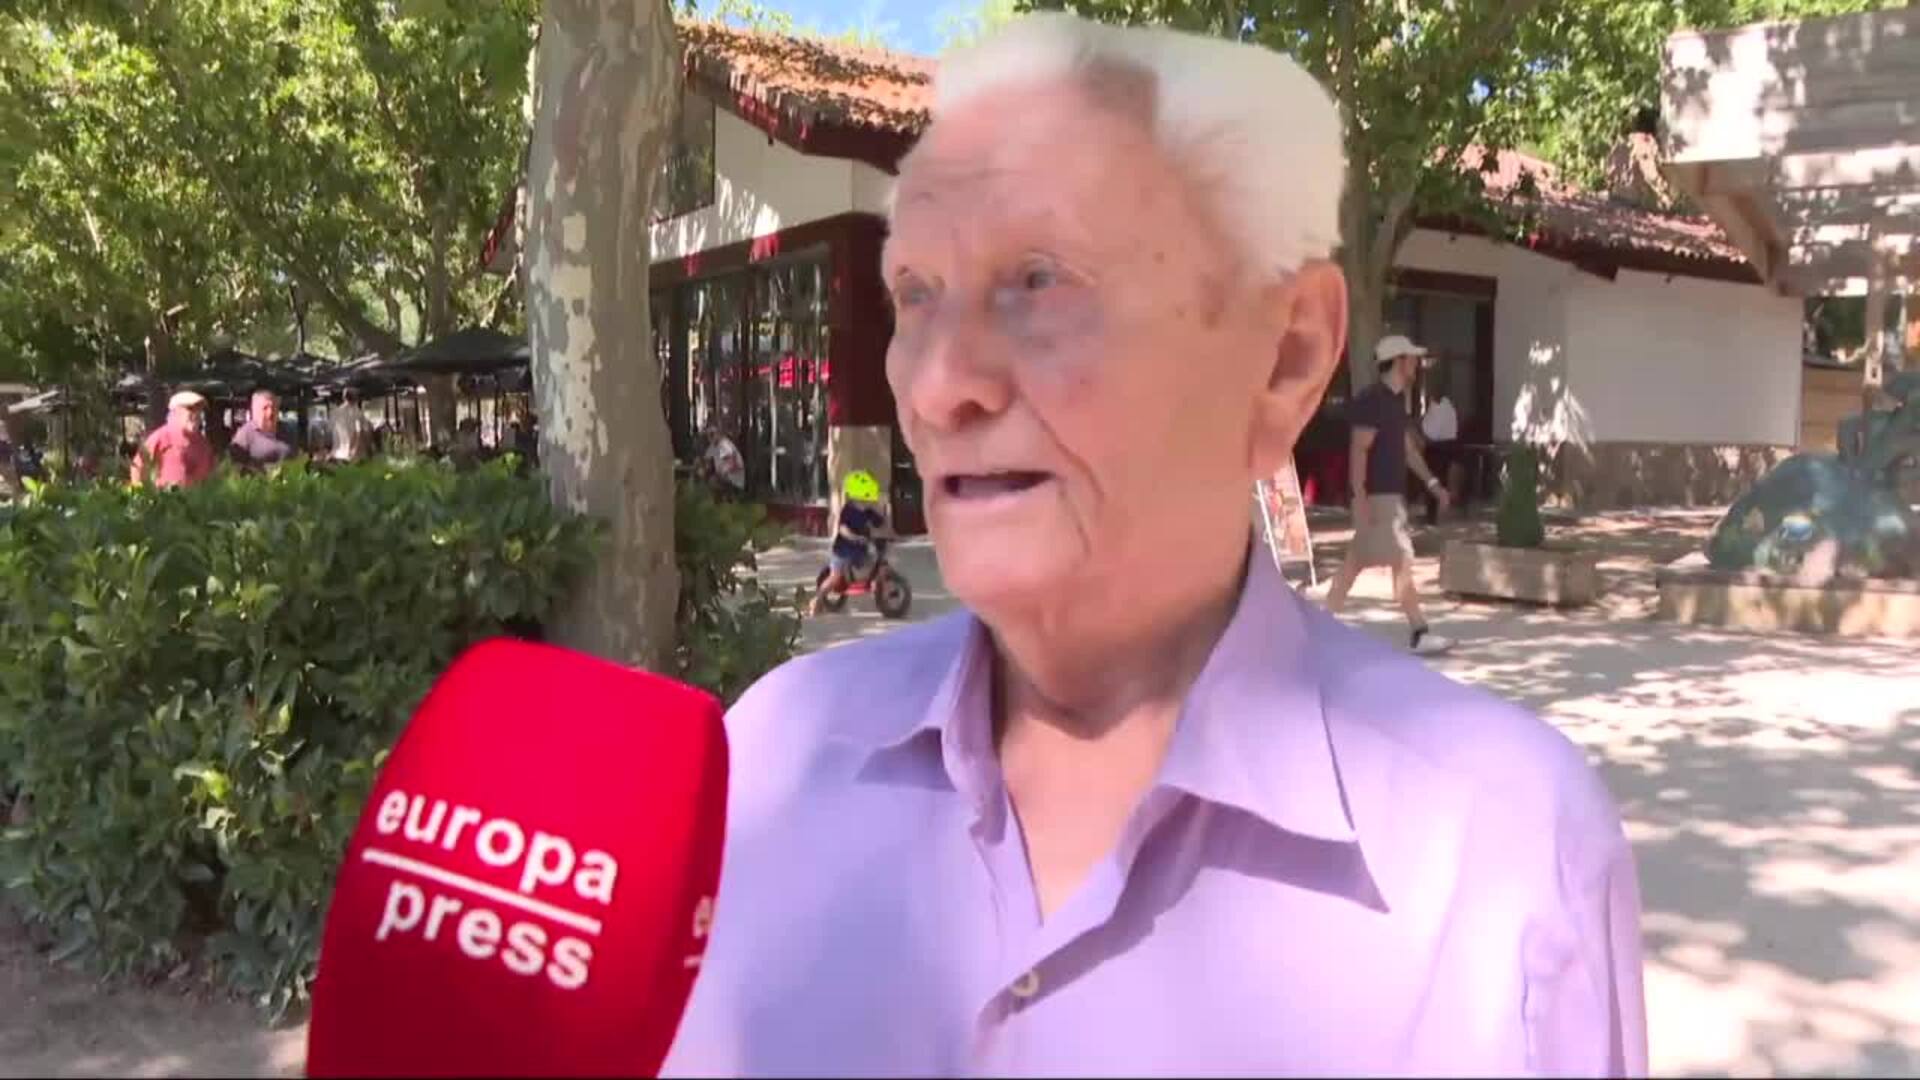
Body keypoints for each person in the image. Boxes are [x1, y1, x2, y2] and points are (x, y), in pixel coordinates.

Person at [663, 14, 1645, 1078]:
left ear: (1285, 354)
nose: (939, 386)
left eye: (1041, 279)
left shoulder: (1497, 859)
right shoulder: (767, 765)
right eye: (915, 295)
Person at [1322, 334, 1454, 654]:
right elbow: (1359, 449)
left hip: (1389, 497)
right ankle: (1419, 631)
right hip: (1378, 497)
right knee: (1400, 559)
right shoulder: (1373, 400)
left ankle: (1321, 625)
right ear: (1398, 361)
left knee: (1357, 562)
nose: (1416, 364)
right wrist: (1360, 497)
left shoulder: (1395, 402)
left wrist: (1433, 484)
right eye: (1411, 358)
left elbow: (1406, 450)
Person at [807, 469, 887, 617]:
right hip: (843, 549)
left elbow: (879, 523)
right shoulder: (848, 511)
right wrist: (855, 537)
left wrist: (882, 513)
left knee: (878, 561)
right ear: (857, 495)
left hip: (859, 548)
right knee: (834, 577)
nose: (867, 501)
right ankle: (816, 600)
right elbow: (843, 530)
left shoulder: (867, 510)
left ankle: (877, 589)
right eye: (865, 497)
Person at [130, 391, 214, 489]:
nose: (197, 414)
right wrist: (143, 496)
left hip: (197, 502)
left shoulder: (203, 444)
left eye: (199, 410)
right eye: (190, 409)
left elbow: (211, 476)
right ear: (175, 411)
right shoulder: (161, 437)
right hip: (166, 501)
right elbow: (138, 467)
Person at [1420, 384, 1461, 525]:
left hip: (1438, 448)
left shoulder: (1442, 409)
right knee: (1438, 480)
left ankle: (1434, 515)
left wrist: (1421, 431)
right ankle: (1434, 514)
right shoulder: (1442, 407)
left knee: (1435, 480)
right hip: (1443, 447)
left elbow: (1431, 433)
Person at [227, 389, 295, 472]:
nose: (270, 412)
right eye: (265, 408)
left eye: (273, 407)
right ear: (255, 410)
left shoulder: (288, 430)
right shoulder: (245, 434)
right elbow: (236, 466)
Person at [699, 424, 746, 496]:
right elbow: (706, 460)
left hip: (733, 475)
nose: (711, 437)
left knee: (713, 481)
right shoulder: (714, 445)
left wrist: (723, 472)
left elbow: (732, 462)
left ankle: (727, 498)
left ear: (718, 434)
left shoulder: (724, 444)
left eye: (713, 434)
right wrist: (703, 467)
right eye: (709, 435)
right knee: (705, 475)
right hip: (725, 474)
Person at [329, 388, 374, 463]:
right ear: (356, 398)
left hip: (337, 454)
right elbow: (361, 432)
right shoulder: (358, 414)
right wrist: (368, 449)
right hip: (353, 455)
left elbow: (330, 433)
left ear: (343, 398)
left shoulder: (334, 413)